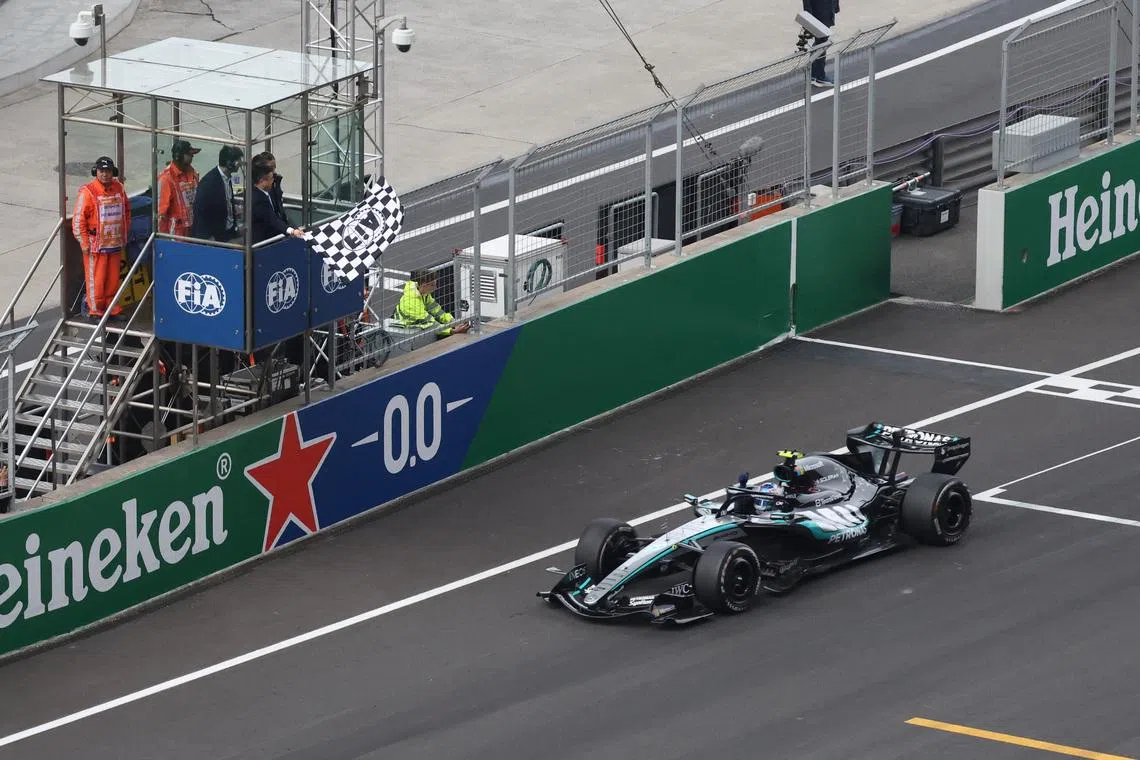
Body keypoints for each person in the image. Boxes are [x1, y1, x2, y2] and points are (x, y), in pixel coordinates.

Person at [72, 155, 131, 320]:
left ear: (113, 172)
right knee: (96, 280)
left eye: (108, 171)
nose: (104, 174)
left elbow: (126, 211)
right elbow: (78, 221)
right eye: (101, 171)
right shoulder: (87, 192)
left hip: (114, 243)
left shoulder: (119, 188)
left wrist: (124, 234)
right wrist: (84, 242)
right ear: (95, 172)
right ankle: (95, 309)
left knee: (113, 279)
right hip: (95, 246)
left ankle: (112, 307)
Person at [392, 269, 470, 337]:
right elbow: (430, 323)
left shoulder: (424, 293)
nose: (435, 288)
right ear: (424, 285)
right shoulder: (412, 302)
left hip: (415, 324)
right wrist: (452, 331)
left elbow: (438, 311)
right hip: (405, 327)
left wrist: (454, 322)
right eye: (432, 285)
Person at [191, 145, 243, 242]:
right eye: (237, 160)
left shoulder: (227, 179)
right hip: (214, 237)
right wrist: (208, 238)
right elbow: (200, 212)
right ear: (229, 163)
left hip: (227, 232)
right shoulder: (209, 183)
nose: (239, 164)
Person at [250, 162, 305, 245]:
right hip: (263, 243)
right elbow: (272, 219)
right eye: (271, 179)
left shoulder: (267, 193)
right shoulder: (257, 198)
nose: (273, 181)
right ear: (262, 180)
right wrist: (291, 231)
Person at [157, 139, 201, 238]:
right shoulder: (166, 179)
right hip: (176, 234)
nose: (192, 156)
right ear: (178, 156)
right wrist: (164, 240)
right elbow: (161, 214)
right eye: (189, 154)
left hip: (192, 229)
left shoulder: (192, 173)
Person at [804, 0, 839, 88]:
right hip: (819, 12)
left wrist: (835, 6)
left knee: (820, 42)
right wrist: (808, 14)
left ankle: (813, 74)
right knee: (822, 43)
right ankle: (819, 76)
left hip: (826, 10)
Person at [252, 151, 289, 226]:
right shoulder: (256, 191)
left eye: (274, 167)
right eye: (271, 168)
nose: (274, 171)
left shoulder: (275, 180)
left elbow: (279, 204)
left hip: (280, 220)